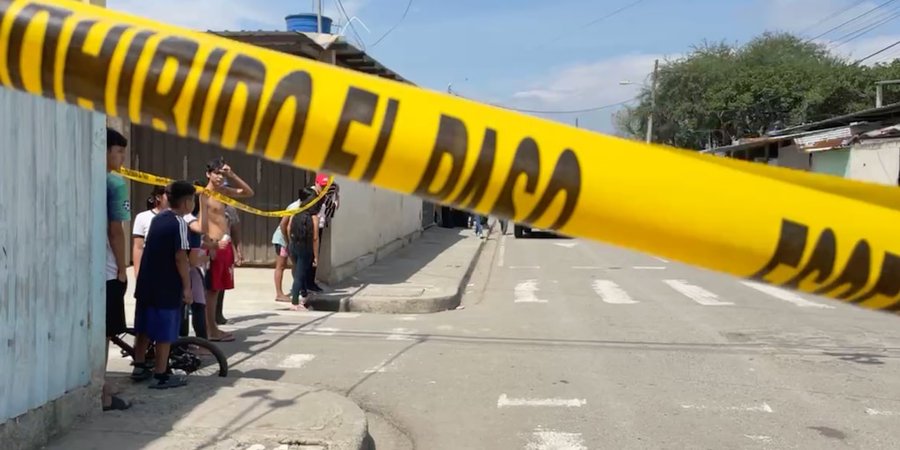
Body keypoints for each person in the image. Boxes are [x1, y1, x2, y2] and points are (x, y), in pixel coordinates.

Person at [130, 180, 196, 389]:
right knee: (165, 333)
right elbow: (181, 258)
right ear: (187, 203)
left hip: (147, 283)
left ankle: (139, 366)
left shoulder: (157, 219)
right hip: (167, 286)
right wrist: (187, 287)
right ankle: (161, 375)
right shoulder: (179, 223)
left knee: (143, 328)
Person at [199, 157, 254, 342]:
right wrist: (209, 244)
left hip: (225, 245)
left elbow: (248, 192)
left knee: (217, 289)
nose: (220, 177)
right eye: (217, 173)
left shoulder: (222, 193)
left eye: (222, 174)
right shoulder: (204, 195)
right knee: (211, 290)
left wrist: (232, 174)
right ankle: (210, 329)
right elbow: (202, 222)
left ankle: (212, 327)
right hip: (213, 245)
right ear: (208, 174)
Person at [103, 128, 131, 411]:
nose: (122, 157)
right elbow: (116, 230)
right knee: (106, 334)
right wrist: (122, 269)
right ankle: (102, 392)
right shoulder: (115, 183)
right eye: (119, 151)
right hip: (108, 270)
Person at [287, 188, 320, 311]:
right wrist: (316, 256)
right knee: (300, 275)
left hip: (294, 245)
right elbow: (315, 238)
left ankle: (304, 295)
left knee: (299, 272)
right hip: (305, 248)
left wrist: (290, 243)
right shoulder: (313, 217)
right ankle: (295, 302)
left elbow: (289, 228)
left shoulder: (296, 212)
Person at [307, 173, 339, 292]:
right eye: (322, 186)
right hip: (310, 229)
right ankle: (305, 284)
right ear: (316, 183)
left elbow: (334, 206)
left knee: (314, 257)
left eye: (326, 186)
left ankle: (311, 282)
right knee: (309, 257)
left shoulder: (324, 196)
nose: (324, 188)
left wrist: (336, 195)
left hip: (318, 227)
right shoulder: (310, 194)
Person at [272, 190, 302, 302]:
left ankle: (297, 288)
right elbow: (284, 224)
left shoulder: (306, 206)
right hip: (282, 239)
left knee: (296, 264)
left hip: (292, 239)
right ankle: (279, 294)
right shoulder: (295, 207)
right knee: (281, 265)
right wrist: (287, 241)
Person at [132, 186, 168, 281]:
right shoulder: (142, 217)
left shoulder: (180, 218)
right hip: (150, 270)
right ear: (158, 197)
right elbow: (138, 247)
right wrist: (138, 273)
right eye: (168, 194)